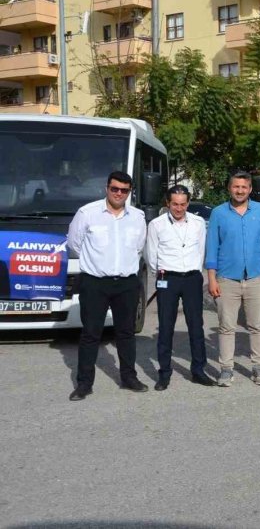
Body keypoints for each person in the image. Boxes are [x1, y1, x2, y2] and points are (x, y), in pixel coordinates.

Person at [67, 171, 148, 401]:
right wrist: (96, 262)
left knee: (126, 333)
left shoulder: (137, 217)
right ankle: (84, 384)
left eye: (124, 190)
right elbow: (74, 243)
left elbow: (139, 247)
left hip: (126, 283)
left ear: (129, 192)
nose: (119, 194)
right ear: (107, 188)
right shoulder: (88, 213)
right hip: (95, 283)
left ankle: (129, 377)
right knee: (91, 334)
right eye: (115, 189)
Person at [205, 172, 260, 387]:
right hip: (227, 279)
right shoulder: (219, 213)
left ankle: (258, 367)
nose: (240, 191)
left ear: (250, 189)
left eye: (244, 187)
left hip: (256, 277)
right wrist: (212, 279)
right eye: (236, 187)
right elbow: (212, 248)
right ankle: (226, 369)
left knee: (257, 325)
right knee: (227, 327)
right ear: (230, 188)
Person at [145, 185, 215, 391]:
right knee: (166, 327)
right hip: (168, 278)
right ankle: (164, 374)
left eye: (183, 204)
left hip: (192, 278)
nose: (179, 208)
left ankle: (198, 370)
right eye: (175, 204)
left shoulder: (198, 222)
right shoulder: (157, 225)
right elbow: (151, 254)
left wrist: (196, 270)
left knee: (196, 326)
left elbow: (201, 249)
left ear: (188, 203)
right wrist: (160, 275)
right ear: (168, 203)